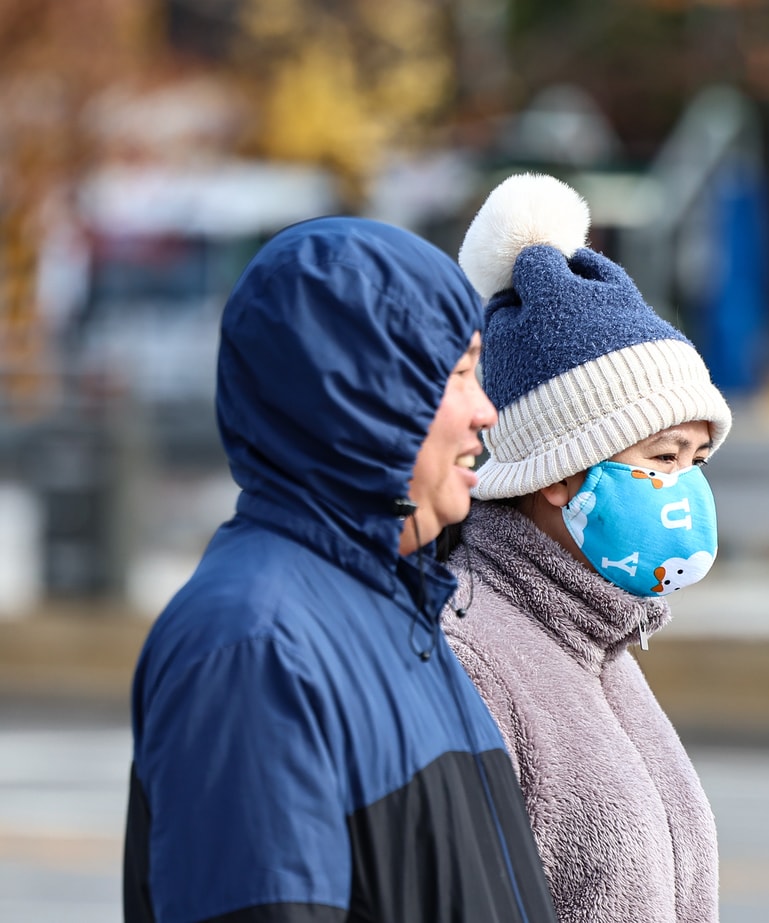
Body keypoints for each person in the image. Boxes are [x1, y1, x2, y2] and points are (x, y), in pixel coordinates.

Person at [123, 217, 558, 923]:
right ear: (363, 396)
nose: (486, 412)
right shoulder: (255, 645)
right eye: (458, 373)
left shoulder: (400, 614)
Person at [438, 173, 733, 923]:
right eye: (664, 457)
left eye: (698, 461)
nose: (687, 489)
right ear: (560, 471)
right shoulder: (469, 657)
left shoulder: (600, 638)